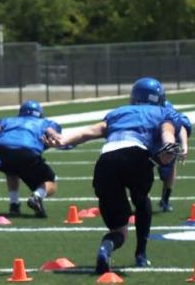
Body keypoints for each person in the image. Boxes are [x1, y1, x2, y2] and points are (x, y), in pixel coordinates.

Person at [51, 77, 181, 273]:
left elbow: (90, 131)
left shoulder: (119, 112)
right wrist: (168, 146)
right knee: (142, 201)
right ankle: (141, 254)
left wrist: (63, 140)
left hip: (106, 161)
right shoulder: (163, 112)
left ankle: (105, 249)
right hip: (136, 156)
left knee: (119, 230)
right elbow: (167, 132)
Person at [0, 100, 62, 217]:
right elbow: (50, 131)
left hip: (0, 151)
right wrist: (57, 137)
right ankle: (36, 197)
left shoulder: (9, 120)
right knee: (51, 181)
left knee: (11, 170)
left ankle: (14, 204)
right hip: (27, 153)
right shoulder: (45, 123)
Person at [157, 100, 191, 212]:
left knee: (169, 169)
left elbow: (180, 126)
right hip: (147, 141)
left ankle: (165, 200)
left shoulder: (168, 111)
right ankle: (140, 201)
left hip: (165, 140)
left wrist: (185, 145)